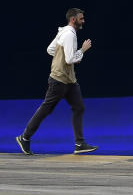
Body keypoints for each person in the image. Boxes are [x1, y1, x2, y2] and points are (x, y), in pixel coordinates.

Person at [16, 8, 98, 155]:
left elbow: (50, 50)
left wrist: (67, 56)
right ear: (73, 20)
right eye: (81, 19)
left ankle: (79, 143)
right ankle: (25, 137)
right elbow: (69, 59)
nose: (83, 21)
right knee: (46, 109)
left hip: (69, 80)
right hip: (59, 80)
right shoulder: (69, 35)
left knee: (78, 107)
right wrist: (82, 50)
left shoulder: (64, 32)